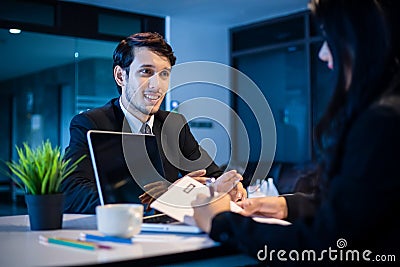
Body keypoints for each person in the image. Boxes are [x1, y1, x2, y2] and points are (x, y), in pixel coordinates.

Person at [192, 0, 400, 265]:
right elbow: (358, 210)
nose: (322, 54)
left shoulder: (381, 123)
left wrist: (222, 223)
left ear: (357, 38)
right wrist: (286, 206)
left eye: (328, 38)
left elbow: (329, 245)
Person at [62, 32, 246, 214]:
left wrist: (228, 187)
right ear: (120, 76)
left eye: (164, 74)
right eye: (146, 72)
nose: (157, 85)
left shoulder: (174, 124)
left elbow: (211, 175)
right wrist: (166, 197)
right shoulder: (90, 123)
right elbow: (72, 194)